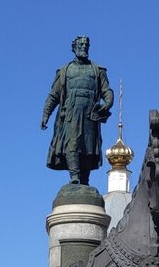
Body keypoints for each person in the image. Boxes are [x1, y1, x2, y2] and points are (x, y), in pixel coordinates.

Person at [40, 36, 113, 185]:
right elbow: (53, 95)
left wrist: (108, 102)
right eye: (81, 45)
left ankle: (85, 180)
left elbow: (106, 91)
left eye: (86, 45)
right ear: (74, 48)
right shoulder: (65, 71)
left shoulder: (97, 70)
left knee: (88, 147)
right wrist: (46, 115)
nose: (84, 47)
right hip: (71, 113)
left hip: (90, 114)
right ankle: (74, 177)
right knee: (72, 143)